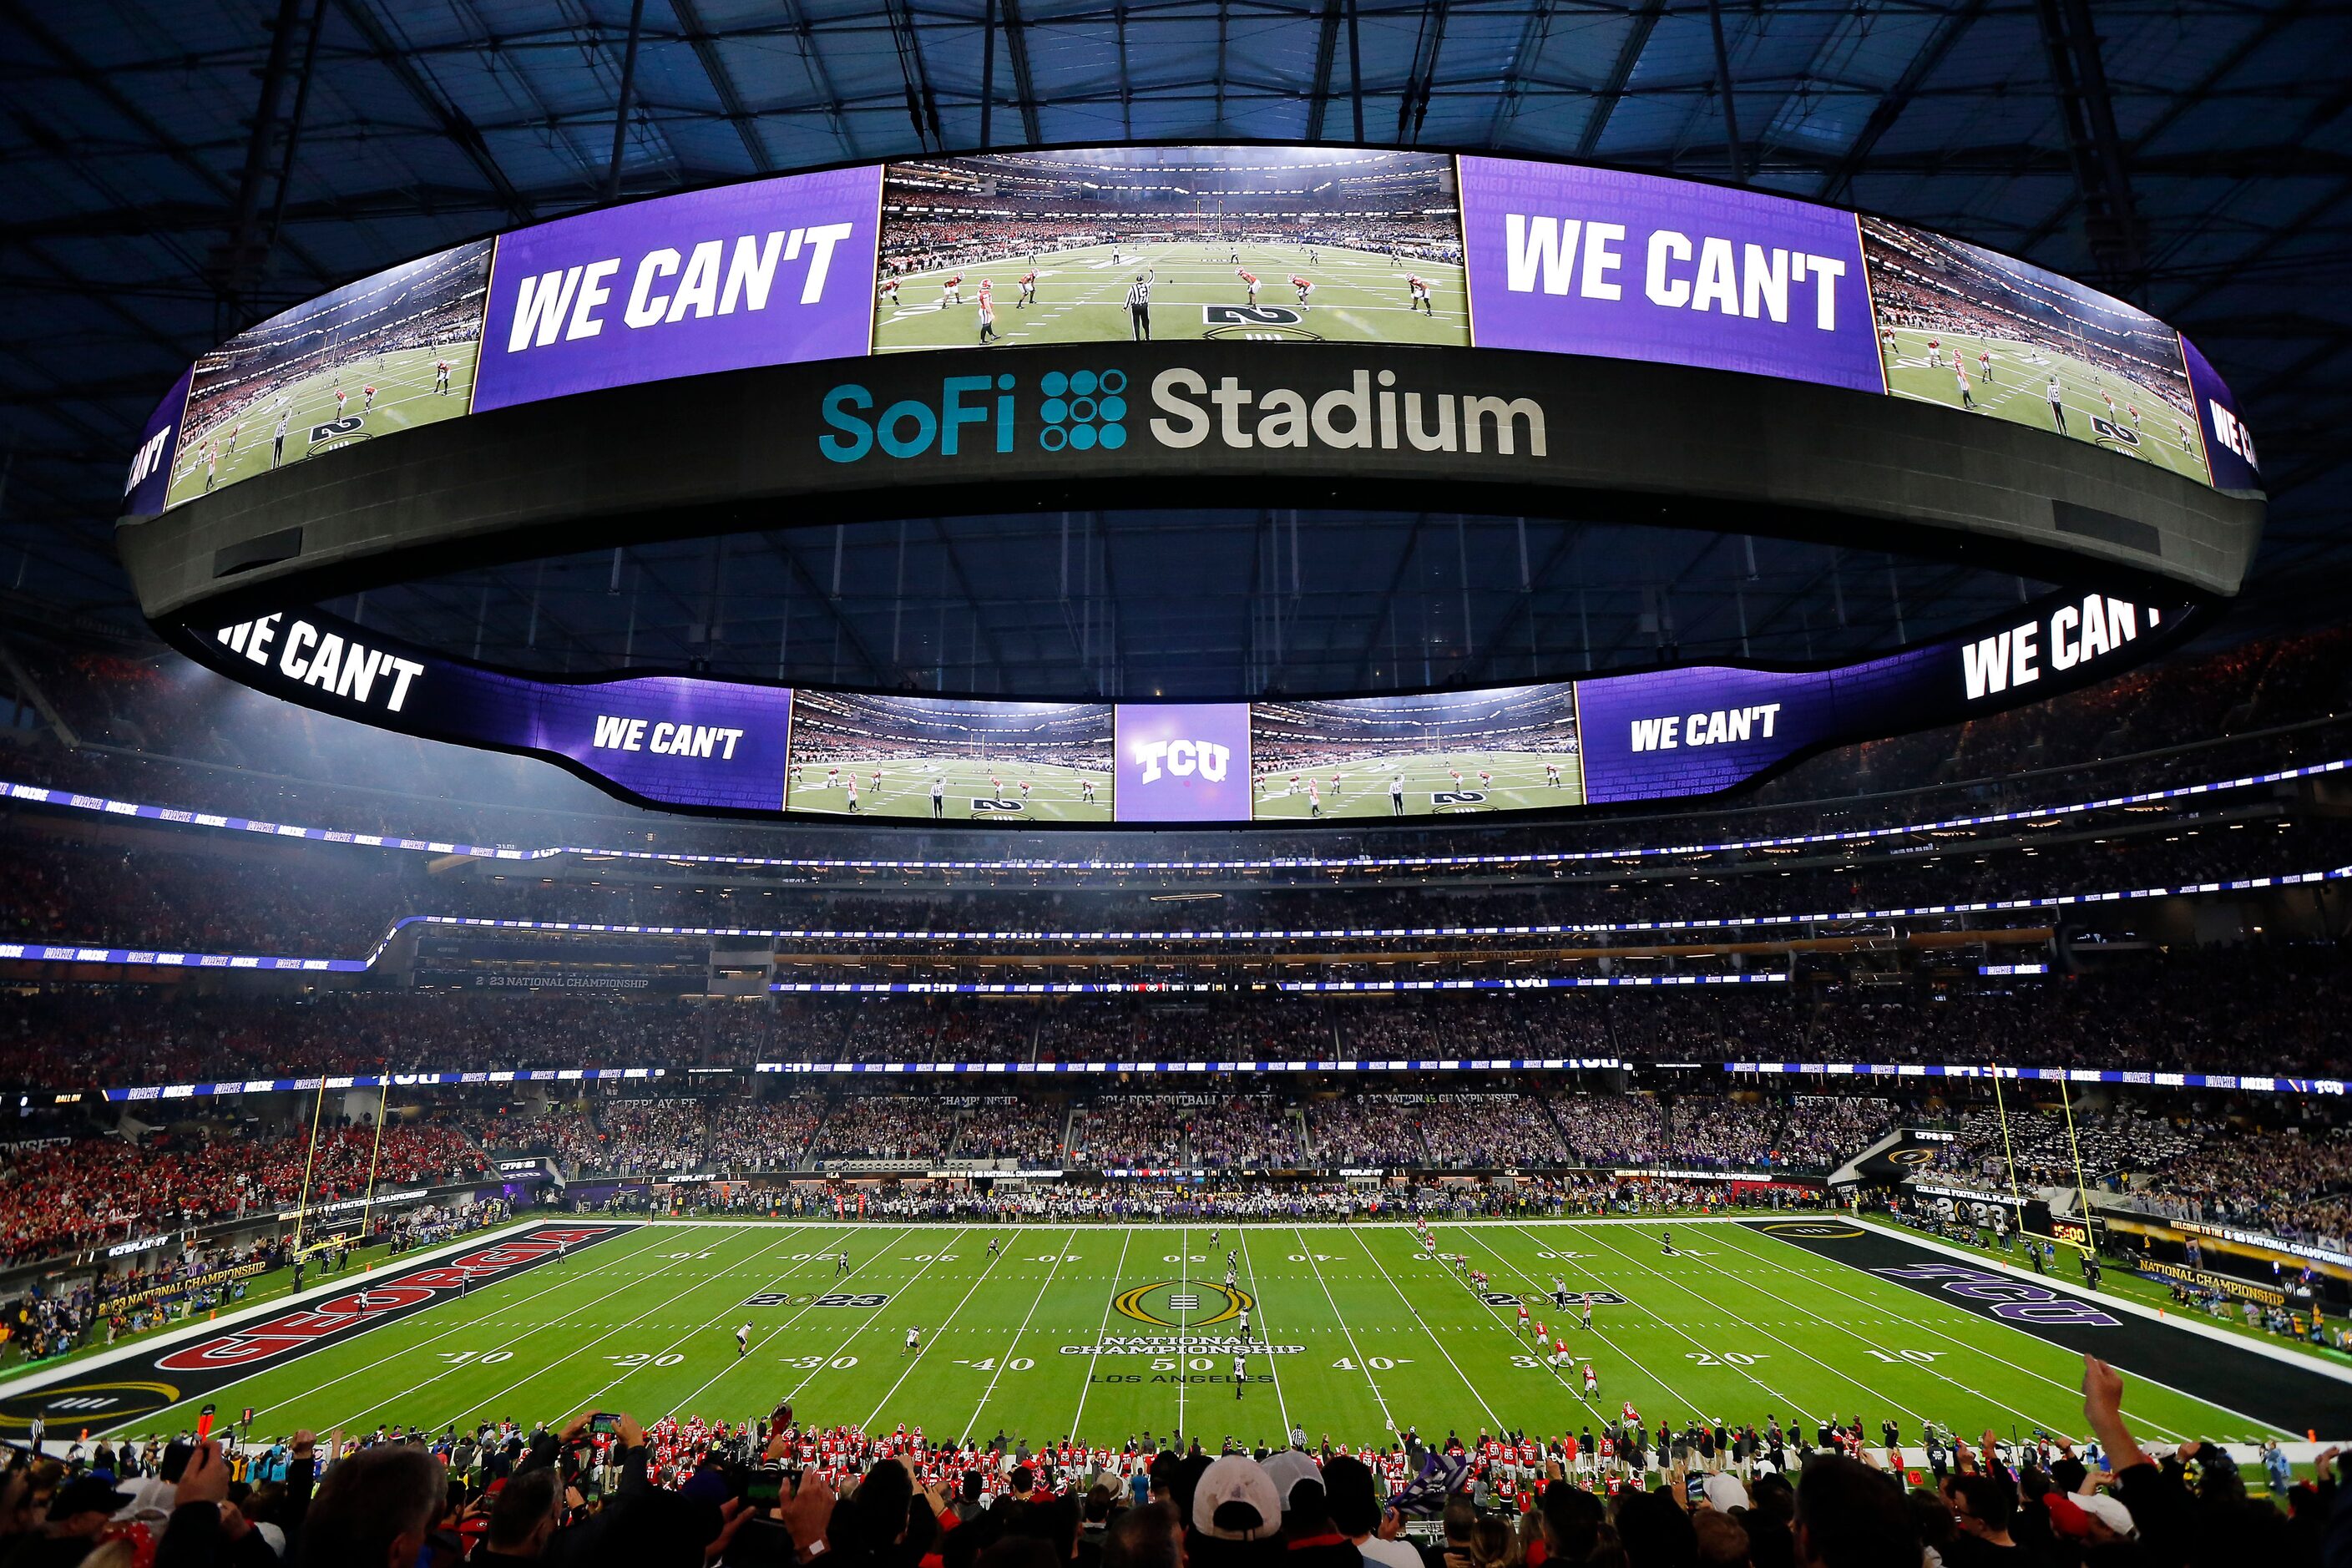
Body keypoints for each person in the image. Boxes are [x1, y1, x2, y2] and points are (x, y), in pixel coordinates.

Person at [1128, 273, 1153, 341]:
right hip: (1144, 306)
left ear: (1136, 281)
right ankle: (1148, 337)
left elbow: (1129, 298)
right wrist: (1151, 270)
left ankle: (1137, 339)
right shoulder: (1147, 286)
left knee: (1136, 323)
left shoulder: (1133, 288)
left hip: (1135, 307)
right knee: (1146, 322)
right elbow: (1152, 279)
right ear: (1143, 280)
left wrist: (1125, 307)